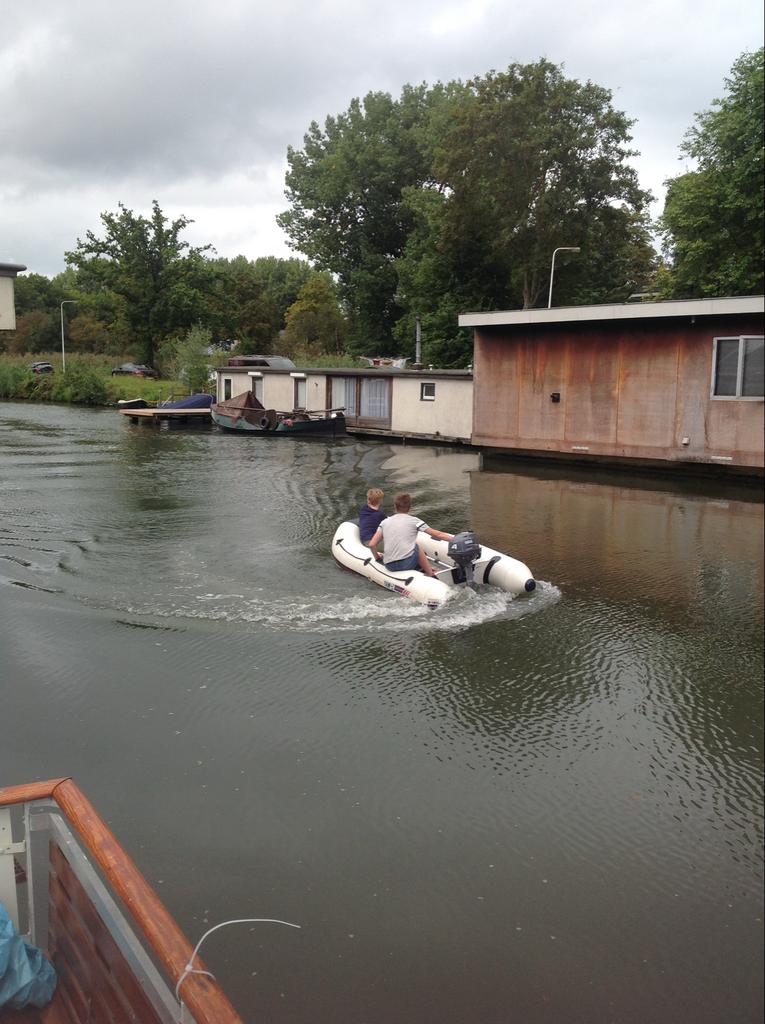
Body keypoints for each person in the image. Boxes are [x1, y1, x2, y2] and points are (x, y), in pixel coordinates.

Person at [368, 492, 453, 577]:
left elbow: (372, 544)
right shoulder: (414, 521)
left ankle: (420, 567)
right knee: (416, 547)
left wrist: (377, 558)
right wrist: (455, 539)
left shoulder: (384, 522)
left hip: (389, 565)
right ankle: (430, 573)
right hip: (405, 564)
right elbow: (438, 534)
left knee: (409, 549)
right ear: (409, 507)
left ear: (395, 506)